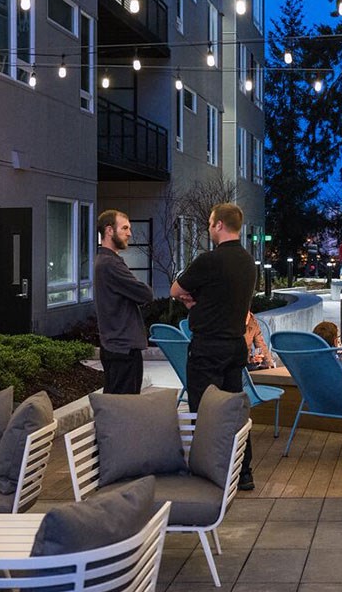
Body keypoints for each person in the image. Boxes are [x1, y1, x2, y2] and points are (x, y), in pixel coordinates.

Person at [170, 203, 258, 490]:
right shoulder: (247, 262)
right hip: (235, 345)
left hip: (208, 346)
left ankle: (207, 472)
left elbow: (175, 289)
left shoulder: (209, 260)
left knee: (203, 411)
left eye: (210, 223)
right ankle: (243, 471)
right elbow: (225, 297)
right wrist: (201, 300)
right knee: (234, 408)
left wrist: (192, 300)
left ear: (219, 224)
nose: (209, 228)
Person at [93, 210, 154, 394]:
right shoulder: (110, 264)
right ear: (109, 230)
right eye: (125, 228)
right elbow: (145, 294)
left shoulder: (107, 261)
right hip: (122, 349)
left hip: (117, 346)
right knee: (122, 407)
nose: (129, 233)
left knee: (117, 405)